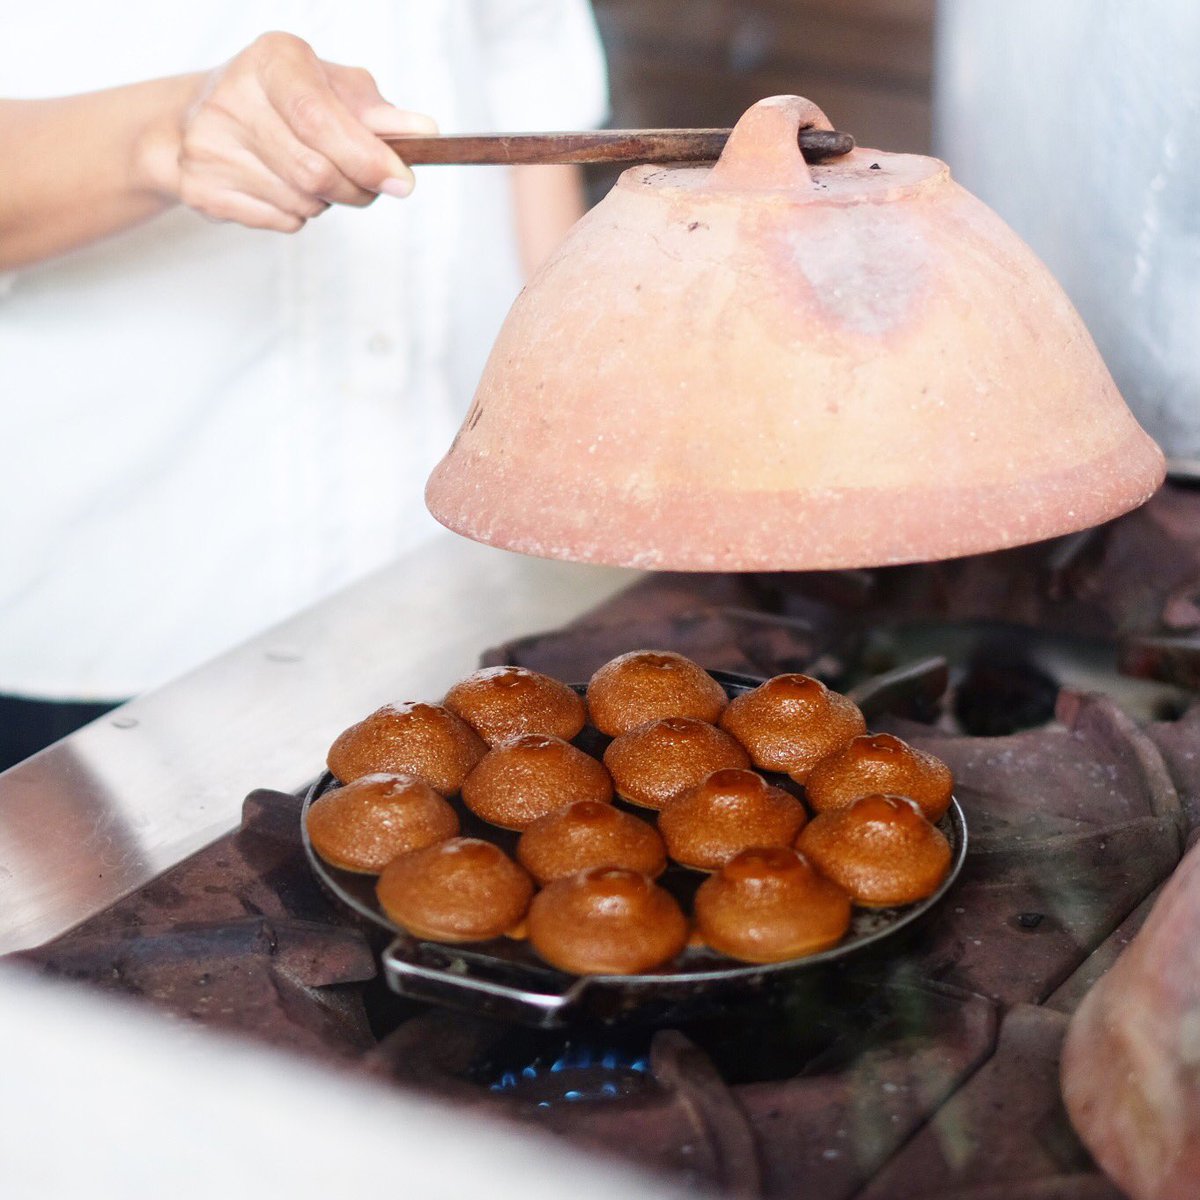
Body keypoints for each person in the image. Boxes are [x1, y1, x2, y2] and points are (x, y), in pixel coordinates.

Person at [0, 2, 608, 769]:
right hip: (104, 616)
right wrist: (164, 132)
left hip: (461, 585)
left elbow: (526, 83)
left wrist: (573, 413)